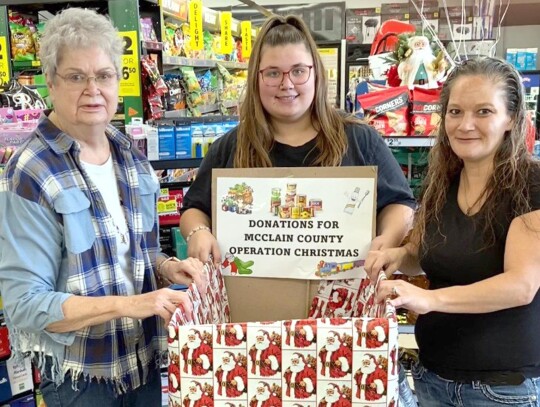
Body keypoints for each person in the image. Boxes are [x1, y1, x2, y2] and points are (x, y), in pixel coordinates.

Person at [179, 14, 416, 406]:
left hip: (341, 330)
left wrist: (386, 241)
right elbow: (194, 209)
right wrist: (198, 232)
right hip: (252, 331)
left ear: (316, 75)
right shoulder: (231, 146)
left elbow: (400, 204)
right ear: (256, 78)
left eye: (298, 71)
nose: (286, 84)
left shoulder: (359, 139)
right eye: (272, 73)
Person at [0, 8, 206, 406]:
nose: (93, 90)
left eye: (104, 75)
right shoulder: (30, 171)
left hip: (143, 363)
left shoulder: (129, 155)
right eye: (76, 77)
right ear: (51, 82)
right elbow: (25, 305)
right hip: (81, 379)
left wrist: (164, 268)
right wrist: (133, 305)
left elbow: (131, 252)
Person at [366, 56, 540, 406]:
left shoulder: (531, 184)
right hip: (432, 379)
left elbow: (521, 285)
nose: (465, 125)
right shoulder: (443, 182)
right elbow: (428, 254)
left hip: (501, 388)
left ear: (510, 119)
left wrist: (430, 300)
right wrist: (399, 255)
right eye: (456, 111)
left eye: (484, 112)